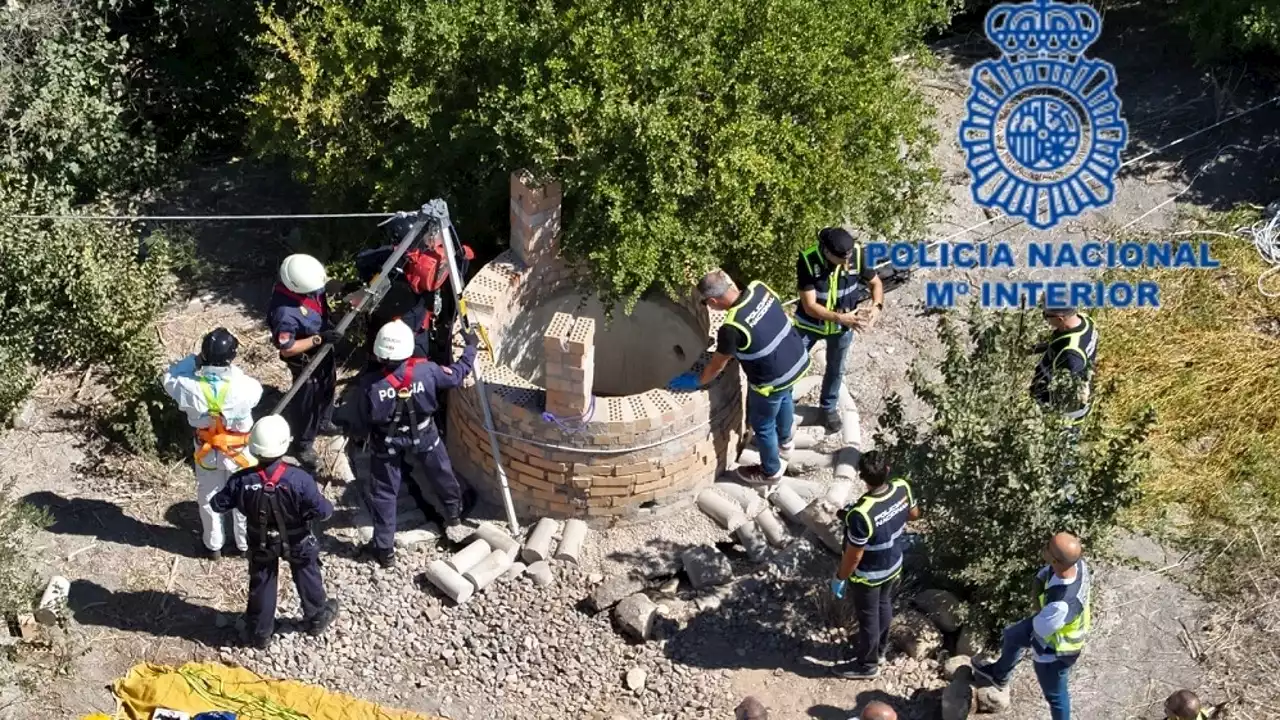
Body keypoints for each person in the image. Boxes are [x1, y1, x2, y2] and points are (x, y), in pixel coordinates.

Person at [342, 320, 478, 567]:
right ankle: (454, 513)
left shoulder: (369, 385)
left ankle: (385, 550)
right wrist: (470, 348)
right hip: (425, 435)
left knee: (384, 493)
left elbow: (359, 420)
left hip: (386, 442)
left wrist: (361, 435)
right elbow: (457, 376)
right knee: (441, 473)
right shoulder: (428, 371)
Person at [211, 415, 340, 649]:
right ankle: (317, 616)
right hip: (298, 538)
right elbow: (324, 512)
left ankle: (260, 632)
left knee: (262, 580)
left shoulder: (241, 480)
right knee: (307, 571)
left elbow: (218, 505)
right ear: (285, 444)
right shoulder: (301, 479)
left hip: (260, 541)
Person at [672, 270, 811, 484]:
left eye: (707, 304)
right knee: (785, 398)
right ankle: (786, 443)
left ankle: (770, 471)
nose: (710, 308)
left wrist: (697, 381)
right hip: (795, 359)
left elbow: (718, 364)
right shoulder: (759, 288)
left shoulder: (732, 328)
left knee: (763, 424)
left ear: (713, 300)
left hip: (771, 380)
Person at [161, 328, 262, 560]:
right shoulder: (246, 387)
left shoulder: (187, 386)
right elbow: (255, 392)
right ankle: (244, 545)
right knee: (243, 498)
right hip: (239, 453)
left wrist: (193, 361)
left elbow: (168, 377)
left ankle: (213, 545)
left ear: (204, 354)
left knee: (208, 498)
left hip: (207, 453)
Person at [972, 532, 1092, 720]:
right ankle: (999, 675)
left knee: (1056, 697)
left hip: (1057, 649)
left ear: (1056, 560)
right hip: (1050, 624)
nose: (1044, 547)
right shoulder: (1078, 565)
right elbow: (1047, 574)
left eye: (1048, 547)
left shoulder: (1061, 603)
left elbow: (1040, 629)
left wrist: (1037, 605)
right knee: (1012, 635)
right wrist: (1038, 583)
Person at [829, 450, 919, 679]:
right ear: (887, 470)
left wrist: (840, 577)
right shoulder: (902, 487)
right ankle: (879, 651)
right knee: (884, 605)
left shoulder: (861, 514)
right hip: (893, 563)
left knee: (868, 616)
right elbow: (914, 514)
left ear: (862, 477)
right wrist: (889, 519)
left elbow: (854, 556)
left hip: (868, 574)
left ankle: (867, 666)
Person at [793, 227, 884, 433]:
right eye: (840, 259)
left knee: (836, 368)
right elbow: (810, 306)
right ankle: (784, 403)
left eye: (848, 258)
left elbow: (875, 283)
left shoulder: (857, 255)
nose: (846, 263)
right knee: (793, 364)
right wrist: (840, 317)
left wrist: (876, 308)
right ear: (826, 251)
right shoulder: (808, 261)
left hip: (843, 326)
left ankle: (828, 409)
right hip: (809, 325)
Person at [268, 254, 343, 470]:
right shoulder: (285, 313)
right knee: (307, 400)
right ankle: (303, 444)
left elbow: (325, 287)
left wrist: (346, 287)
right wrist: (318, 339)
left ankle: (324, 421)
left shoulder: (308, 279)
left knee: (329, 383)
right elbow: (288, 348)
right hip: (304, 358)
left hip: (323, 348)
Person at [1029, 306, 1098, 427]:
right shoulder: (1085, 321)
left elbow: (1071, 395)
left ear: (1060, 319)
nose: (1046, 320)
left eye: (1046, 316)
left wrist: (1053, 419)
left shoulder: (1071, 357)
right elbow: (1059, 342)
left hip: (1065, 418)